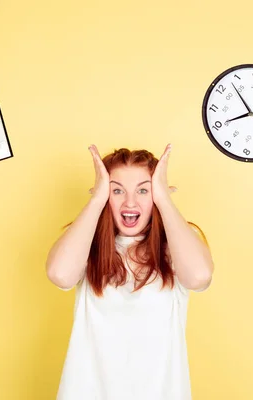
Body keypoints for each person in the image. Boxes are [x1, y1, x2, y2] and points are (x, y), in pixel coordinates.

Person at [45, 143, 214, 400]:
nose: (130, 202)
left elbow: (200, 276)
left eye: (143, 190)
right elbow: (59, 273)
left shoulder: (174, 249)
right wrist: (97, 199)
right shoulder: (87, 247)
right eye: (117, 191)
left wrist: (164, 199)